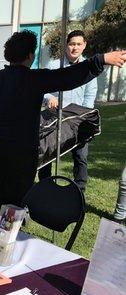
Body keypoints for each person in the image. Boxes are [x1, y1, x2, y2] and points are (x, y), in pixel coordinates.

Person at [0, 30, 125, 218]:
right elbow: (69, 76)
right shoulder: (33, 79)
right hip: (21, 158)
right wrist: (100, 60)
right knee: (13, 212)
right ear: (31, 55)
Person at [39, 30, 97, 192]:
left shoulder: (89, 68)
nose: (75, 48)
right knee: (46, 155)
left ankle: (79, 193)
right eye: (72, 44)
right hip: (53, 119)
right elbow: (42, 89)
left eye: (79, 44)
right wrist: (48, 98)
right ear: (66, 45)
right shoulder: (53, 66)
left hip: (78, 120)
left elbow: (89, 98)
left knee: (81, 157)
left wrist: (82, 117)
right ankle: (46, 189)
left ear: (84, 45)